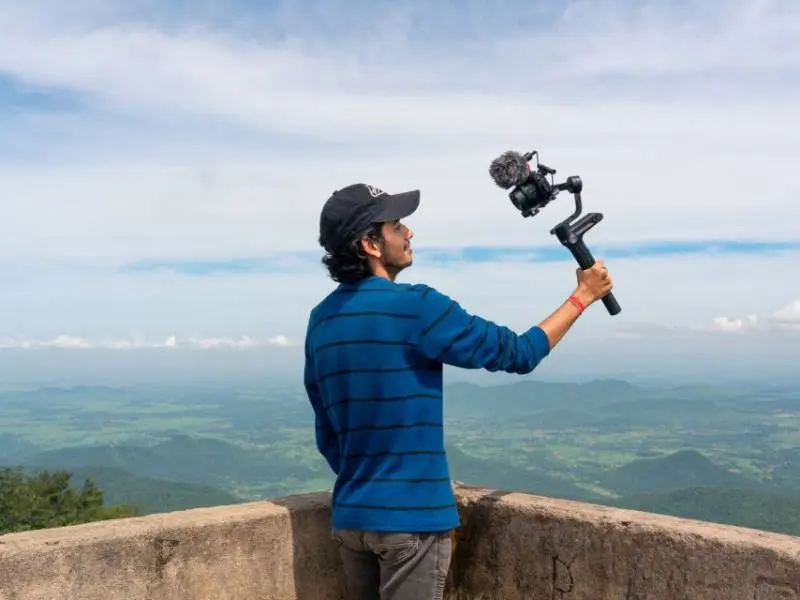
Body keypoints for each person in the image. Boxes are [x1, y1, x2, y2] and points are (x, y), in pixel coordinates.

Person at [303, 183, 614, 600]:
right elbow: (518, 352)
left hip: (352, 518)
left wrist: (368, 481)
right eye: (397, 226)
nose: (409, 232)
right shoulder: (417, 306)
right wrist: (582, 297)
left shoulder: (321, 319)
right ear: (370, 244)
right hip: (411, 518)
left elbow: (327, 432)